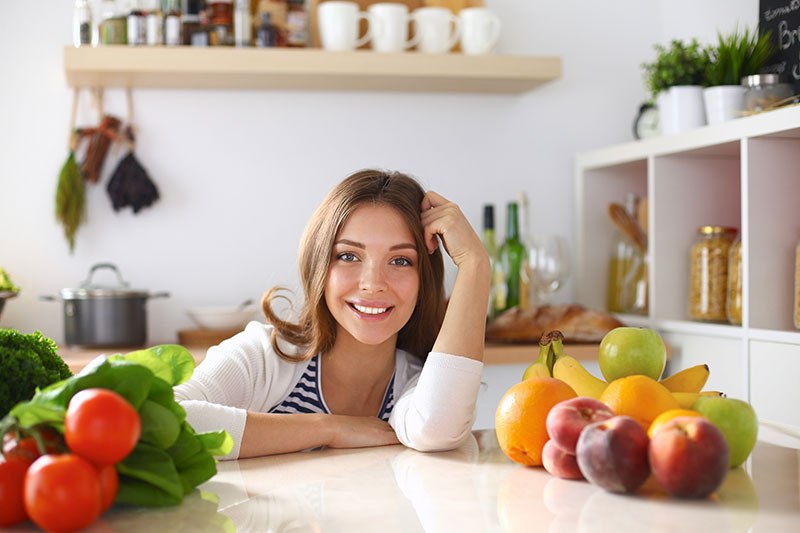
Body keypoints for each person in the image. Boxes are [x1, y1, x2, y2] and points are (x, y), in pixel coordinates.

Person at [174, 169, 490, 459]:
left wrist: (475, 264)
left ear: (425, 280)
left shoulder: (419, 382)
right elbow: (167, 419)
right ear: (320, 265)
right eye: (349, 256)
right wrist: (331, 428)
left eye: (400, 261)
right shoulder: (266, 356)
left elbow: (436, 430)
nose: (373, 284)